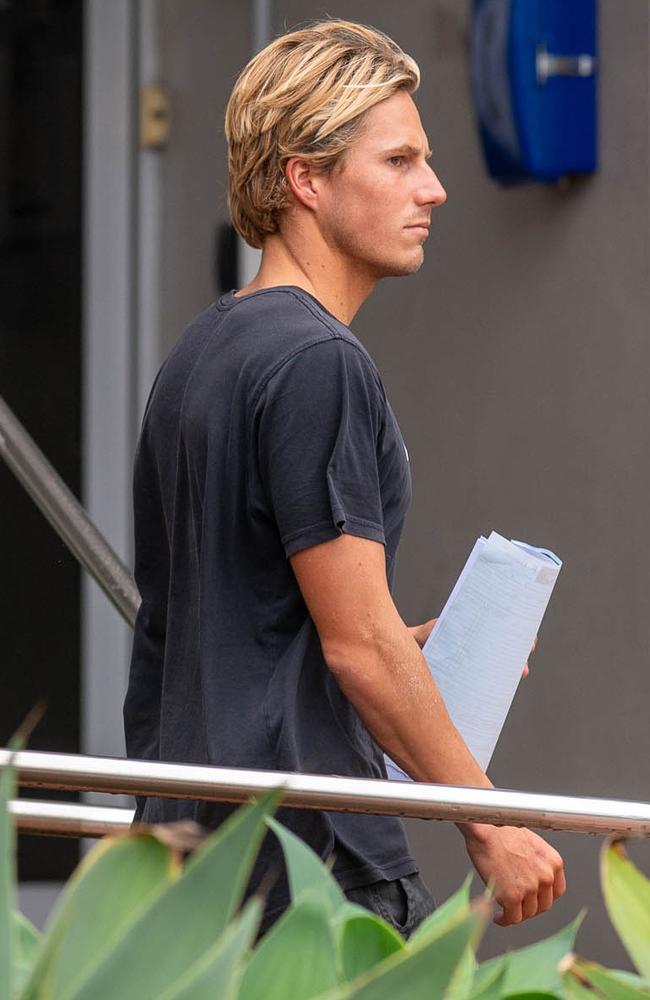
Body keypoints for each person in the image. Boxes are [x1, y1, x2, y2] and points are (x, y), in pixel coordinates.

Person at [123, 18, 565, 938]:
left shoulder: (204, 351)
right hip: (312, 865)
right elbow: (355, 647)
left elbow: (249, 628)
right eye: (399, 161)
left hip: (192, 865)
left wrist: (413, 641)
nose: (435, 190)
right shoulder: (319, 360)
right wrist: (491, 820)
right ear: (306, 179)